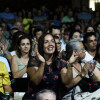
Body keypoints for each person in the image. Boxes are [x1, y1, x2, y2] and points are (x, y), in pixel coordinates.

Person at [23, 33, 67, 100]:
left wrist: (70, 66)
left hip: (54, 97)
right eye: (46, 42)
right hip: (35, 97)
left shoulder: (61, 62)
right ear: (41, 46)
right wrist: (43, 63)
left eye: (52, 41)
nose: (50, 44)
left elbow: (66, 83)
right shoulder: (34, 60)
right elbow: (36, 81)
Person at [11, 35, 32, 100]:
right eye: (23, 44)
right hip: (18, 89)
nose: (26, 46)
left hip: (31, 88)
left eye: (28, 44)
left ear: (30, 46)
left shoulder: (34, 58)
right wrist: (27, 67)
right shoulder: (15, 58)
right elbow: (15, 76)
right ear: (19, 47)